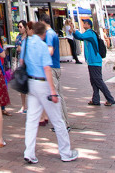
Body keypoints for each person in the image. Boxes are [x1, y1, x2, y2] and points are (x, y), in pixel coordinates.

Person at [22, 20, 77, 165]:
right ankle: (66, 152)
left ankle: (29, 152)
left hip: (31, 83)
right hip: (43, 84)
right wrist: (53, 91)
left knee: (32, 120)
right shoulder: (42, 46)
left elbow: (22, 63)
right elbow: (47, 68)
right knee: (58, 119)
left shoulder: (25, 43)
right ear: (44, 33)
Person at [72, 18, 115, 106]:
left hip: (94, 61)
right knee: (94, 81)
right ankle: (95, 100)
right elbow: (79, 37)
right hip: (93, 61)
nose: (84, 24)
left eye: (85, 23)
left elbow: (80, 36)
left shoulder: (90, 33)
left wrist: (74, 29)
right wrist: (73, 31)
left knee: (98, 81)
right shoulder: (90, 33)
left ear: (89, 25)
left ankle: (110, 99)